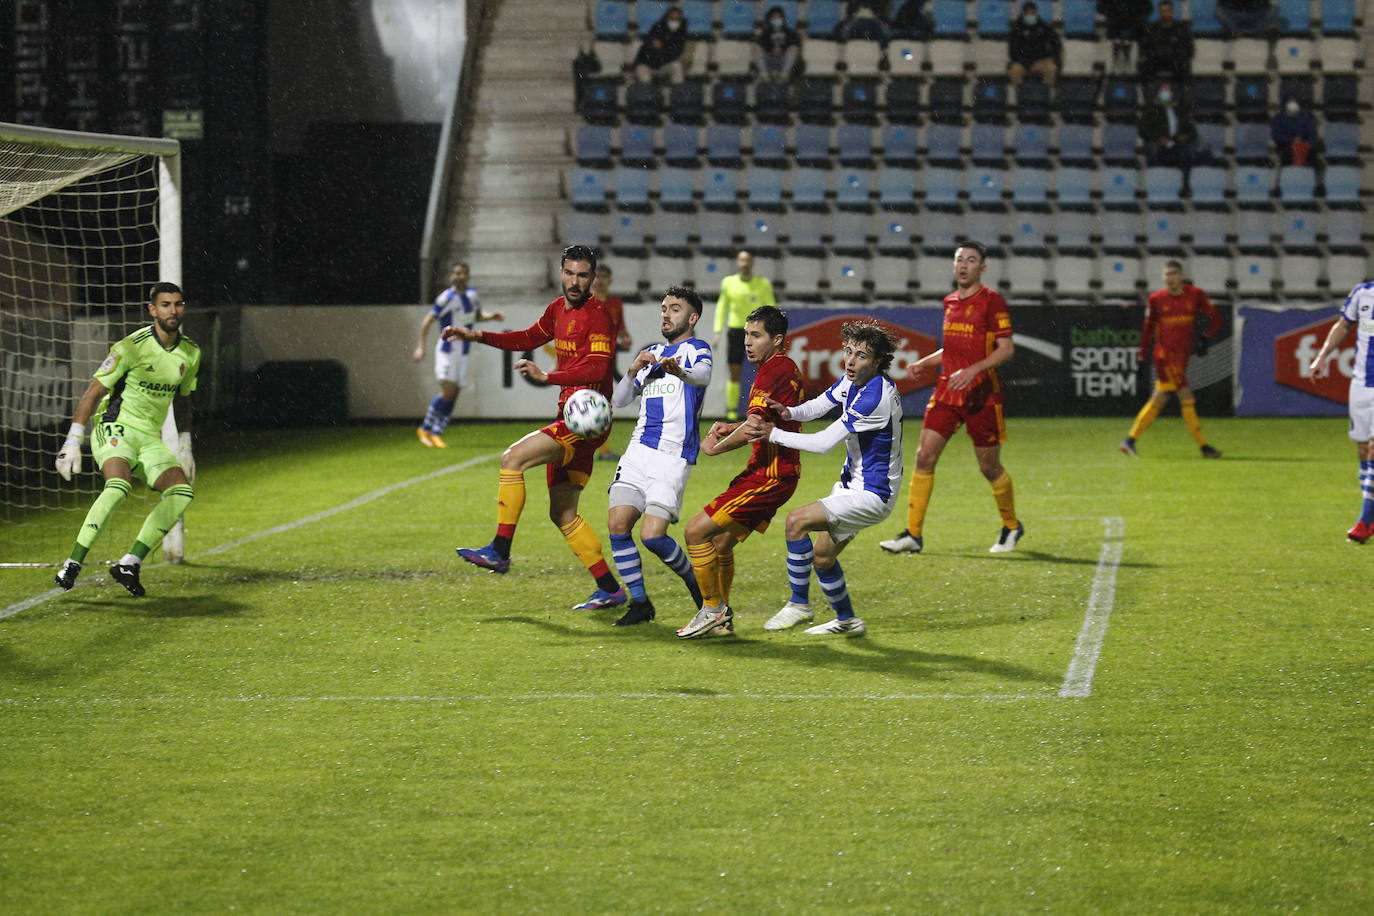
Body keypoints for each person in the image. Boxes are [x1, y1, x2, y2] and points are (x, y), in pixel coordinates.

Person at [686, 320, 904, 638]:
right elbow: (820, 405)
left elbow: (824, 443)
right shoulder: (855, 381)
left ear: (878, 361)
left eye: (861, 356)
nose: (852, 361)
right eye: (849, 352)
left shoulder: (875, 397)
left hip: (872, 493)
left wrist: (774, 432)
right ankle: (846, 620)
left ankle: (799, 604)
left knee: (796, 522)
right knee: (823, 557)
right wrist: (789, 413)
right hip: (852, 486)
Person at [443, 244, 625, 611]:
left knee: (513, 459)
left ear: (593, 278)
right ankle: (610, 588)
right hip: (572, 418)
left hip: (584, 422)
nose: (575, 282)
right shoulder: (557, 310)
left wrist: (549, 376)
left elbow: (598, 370)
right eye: (570, 273)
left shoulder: (599, 315)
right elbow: (526, 338)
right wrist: (477, 336)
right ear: (561, 272)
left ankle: (500, 550)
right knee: (563, 513)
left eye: (583, 275)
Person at [52, 282, 200, 597]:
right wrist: (73, 440)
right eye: (165, 305)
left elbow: (183, 400)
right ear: (152, 310)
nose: (172, 311)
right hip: (115, 426)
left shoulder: (191, 352)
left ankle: (129, 563)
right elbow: (93, 392)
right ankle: (73, 563)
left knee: (181, 491)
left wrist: (185, 446)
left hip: (149, 437)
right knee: (118, 487)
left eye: (178, 304)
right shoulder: (130, 347)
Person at [878, 241, 1023, 556]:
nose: (964, 265)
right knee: (923, 457)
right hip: (947, 392)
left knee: (989, 467)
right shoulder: (950, 302)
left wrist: (975, 370)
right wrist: (924, 363)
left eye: (971, 260)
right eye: (960, 259)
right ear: (953, 265)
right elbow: (954, 350)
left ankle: (1011, 525)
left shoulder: (992, 301)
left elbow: (1006, 348)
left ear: (982, 268)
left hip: (982, 395)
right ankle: (912, 535)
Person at [675, 305, 804, 639]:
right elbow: (759, 424)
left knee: (695, 532)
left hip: (770, 475)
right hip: (769, 471)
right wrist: (732, 426)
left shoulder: (773, 371)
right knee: (719, 543)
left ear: (777, 339)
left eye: (756, 335)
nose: (748, 342)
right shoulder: (777, 368)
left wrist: (714, 448)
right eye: (746, 334)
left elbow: (755, 427)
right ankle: (723, 618)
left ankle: (712, 610)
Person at [605, 286, 713, 626]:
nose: (666, 314)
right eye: (664, 308)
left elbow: (703, 375)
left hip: (671, 454)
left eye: (675, 309)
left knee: (652, 536)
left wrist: (680, 371)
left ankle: (702, 592)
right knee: (617, 524)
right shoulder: (650, 353)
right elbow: (620, 400)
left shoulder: (697, 349)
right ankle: (640, 603)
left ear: (692, 317)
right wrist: (632, 369)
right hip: (638, 450)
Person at [1119, 261, 1224, 459]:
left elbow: (1215, 318)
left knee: (1159, 398)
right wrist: (1142, 356)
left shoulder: (1195, 295)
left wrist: (1205, 338)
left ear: (1181, 275)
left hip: (1182, 356)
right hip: (1165, 357)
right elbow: (1148, 329)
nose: (1170, 277)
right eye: (1167, 274)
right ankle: (1204, 447)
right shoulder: (1156, 299)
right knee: (1187, 397)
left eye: (1174, 273)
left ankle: (1129, 441)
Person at [1304, 282, 1374, 543]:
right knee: (1362, 450)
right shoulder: (1362, 292)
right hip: (1361, 383)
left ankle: (1365, 521)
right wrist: (1322, 356)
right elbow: (1343, 325)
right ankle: (1370, 513)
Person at [412, 262, 504, 448]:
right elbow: (427, 321)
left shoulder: (472, 296)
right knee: (448, 391)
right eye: (455, 273)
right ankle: (426, 428)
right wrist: (421, 346)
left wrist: (491, 316)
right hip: (447, 349)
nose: (458, 276)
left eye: (462, 273)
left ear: (467, 276)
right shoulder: (445, 298)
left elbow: (475, 317)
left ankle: (436, 432)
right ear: (451, 277)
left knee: (455, 392)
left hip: (463, 350)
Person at [713, 250, 778, 421]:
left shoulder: (763, 284)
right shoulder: (728, 282)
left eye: (747, 260)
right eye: (741, 260)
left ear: (752, 262)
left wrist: (774, 330)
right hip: (736, 330)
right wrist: (718, 331)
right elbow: (722, 306)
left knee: (763, 370)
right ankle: (732, 411)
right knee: (734, 371)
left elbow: (771, 307)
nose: (744, 263)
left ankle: (763, 406)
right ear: (737, 262)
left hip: (757, 332)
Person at [591, 263, 633, 461]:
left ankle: (603, 449)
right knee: (588, 401)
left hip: (608, 360)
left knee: (604, 404)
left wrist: (625, 335)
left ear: (610, 281)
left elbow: (620, 325)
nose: (600, 281)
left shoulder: (615, 303)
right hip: (588, 360)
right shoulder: (585, 302)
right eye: (597, 277)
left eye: (604, 277)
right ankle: (595, 448)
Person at [1139, 82, 1200, 171]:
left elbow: (1192, 131)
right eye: (1163, 90)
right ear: (1158, 92)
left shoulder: (1180, 110)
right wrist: (1158, 138)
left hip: (1177, 143)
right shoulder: (1151, 110)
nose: (1166, 92)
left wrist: (1185, 136)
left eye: (1168, 90)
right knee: (1152, 150)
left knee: (1190, 152)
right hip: (1158, 143)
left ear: (1172, 93)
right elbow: (1143, 130)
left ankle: (1184, 182)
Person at [1137, 1, 1194, 86]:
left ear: (1172, 12)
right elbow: (1144, 47)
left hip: (1175, 60)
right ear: (1159, 12)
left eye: (1167, 10)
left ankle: (1184, 94)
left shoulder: (1180, 28)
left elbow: (1189, 49)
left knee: (1184, 65)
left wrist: (1177, 53)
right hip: (1156, 59)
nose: (1165, 13)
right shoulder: (1152, 28)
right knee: (1144, 65)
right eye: (1162, 11)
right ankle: (1145, 94)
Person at [1007, 2, 1061, 87]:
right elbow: (1013, 51)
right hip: (1022, 63)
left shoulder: (1043, 26)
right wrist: (1027, 64)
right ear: (1023, 13)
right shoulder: (1017, 29)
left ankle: (1046, 94)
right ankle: (1020, 95)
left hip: (1041, 61)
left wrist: (1053, 58)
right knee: (1014, 70)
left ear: (1036, 13)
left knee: (1052, 69)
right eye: (1028, 13)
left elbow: (1056, 42)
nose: (1030, 16)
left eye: (1033, 13)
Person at [633, 5, 690, 84]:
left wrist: (662, 49)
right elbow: (646, 48)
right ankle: (647, 94)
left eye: (677, 19)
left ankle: (678, 93)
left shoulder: (681, 33)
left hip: (665, 65)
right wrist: (661, 49)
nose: (674, 21)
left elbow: (676, 52)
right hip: (648, 64)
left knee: (677, 67)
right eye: (672, 19)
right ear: (667, 18)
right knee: (642, 72)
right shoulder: (657, 28)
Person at [1098, 0, 1152, 70]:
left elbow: (1148, 8)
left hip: (1134, 25)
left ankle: (1131, 62)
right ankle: (1115, 61)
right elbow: (1101, 7)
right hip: (1114, 25)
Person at [753, 5, 801, 83]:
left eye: (778, 17)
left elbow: (796, 43)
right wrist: (771, 49)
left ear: (782, 18)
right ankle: (764, 75)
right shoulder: (766, 32)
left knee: (794, 49)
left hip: (783, 60)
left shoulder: (790, 32)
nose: (776, 19)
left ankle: (784, 75)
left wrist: (782, 49)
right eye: (774, 18)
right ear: (770, 19)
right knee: (756, 48)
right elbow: (760, 43)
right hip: (769, 59)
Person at [1271, 96, 1318, 166]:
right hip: (1286, 147)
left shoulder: (1307, 117)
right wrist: (1292, 140)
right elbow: (1276, 135)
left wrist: (1305, 143)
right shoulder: (1278, 118)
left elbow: (1312, 134)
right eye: (1290, 102)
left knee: (1313, 156)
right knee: (1286, 156)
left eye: (1294, 102)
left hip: (1305, 147)